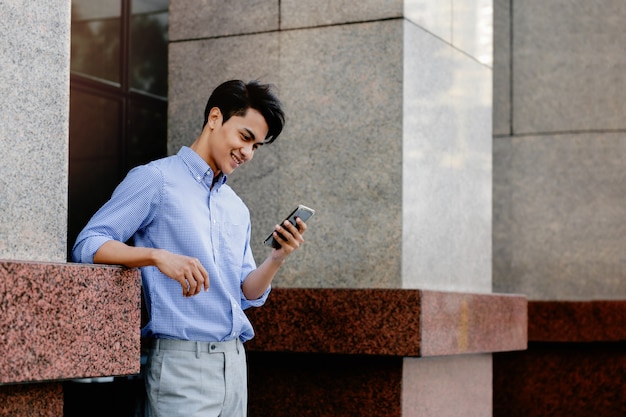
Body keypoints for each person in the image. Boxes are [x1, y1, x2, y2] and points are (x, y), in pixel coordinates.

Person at [72, 79, 307, 417]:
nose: (248, 153)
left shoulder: (237, 208)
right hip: (180, 367)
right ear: (215, 118)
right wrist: (155, 256)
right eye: (244, 137)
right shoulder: (156, 179)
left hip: (235, 365)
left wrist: (277, 256)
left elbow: (246, 292)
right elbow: (88, 243)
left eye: (256, 146)